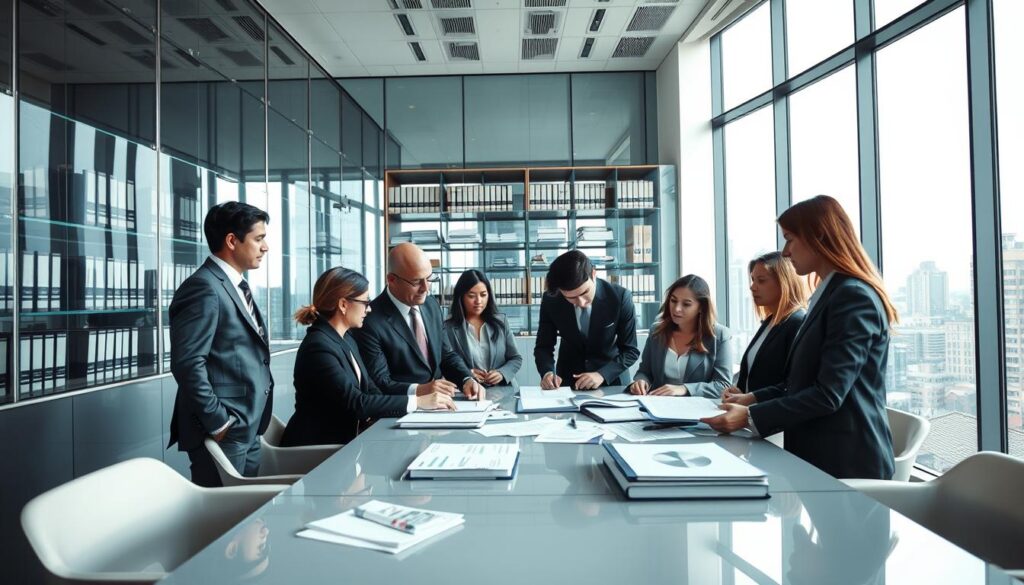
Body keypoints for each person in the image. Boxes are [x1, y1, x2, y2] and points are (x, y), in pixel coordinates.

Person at [704, 195, 897, 480]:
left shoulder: (853, 296)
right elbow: (800, 383)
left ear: (818, 237)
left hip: (847, 463)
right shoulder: (829, 295)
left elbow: (828, 394)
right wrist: (752, 399)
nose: (785, 252)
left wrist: (749, 417)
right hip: (818, 455)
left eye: (790, 239)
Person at [281, 267, 455, 447]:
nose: (369, 309)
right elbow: (356, 402)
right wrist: (418, 402)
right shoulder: (319, 347)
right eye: (365, 302)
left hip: (347, 442)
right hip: (317, 449)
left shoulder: (346, 337)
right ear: (343, 304)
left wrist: (411, 407)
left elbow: (371, 390)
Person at [168, 201, 273, 487]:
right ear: (231, 240)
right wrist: (220, 422)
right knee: (226, 518)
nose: (266, 247)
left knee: (246, 516)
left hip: (246, 424)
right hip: (225, 429)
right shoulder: (203, 287)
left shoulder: (234, 284)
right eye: (259, 238)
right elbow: (188, 362)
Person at [351, 243, 483, 400]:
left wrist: (466, 378)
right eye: (416, 282)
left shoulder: (431, 304)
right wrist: (420, 390)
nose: (426, 289)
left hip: (440, 404)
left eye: (429, 279)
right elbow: (380, 382)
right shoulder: (369, 319)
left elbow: (446, 354)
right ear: (391, 280)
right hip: (400, 410)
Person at [534, 250, 639, 390]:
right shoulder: (551, 300)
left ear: (593, 274)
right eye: (571, 298)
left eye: (584, 293)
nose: (582, 302)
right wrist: (547, 373)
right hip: (567, 382)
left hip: (611, 381)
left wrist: (601, 374)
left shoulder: (620, 297)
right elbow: (543, 347)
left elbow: (630, 351)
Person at [628, 275, 733, 398]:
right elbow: (645, 372)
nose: (677, 309)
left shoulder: (720, 336)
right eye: (673, 301)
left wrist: (684, 389)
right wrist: (641, 381)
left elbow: (723, 385)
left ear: (701, 307)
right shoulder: (657, 331)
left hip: (698, 411)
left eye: (686, 304)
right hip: (657, 408)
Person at [722, 251, 807, 399]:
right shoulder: (770, 322)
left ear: (783, 282)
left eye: (761, 280)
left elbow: (794, 385)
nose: (752, 287)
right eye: (753, 280)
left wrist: (750, 398)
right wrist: (740, 393)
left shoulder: (797, 322)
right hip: (751, 415)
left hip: (775, 419)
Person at [443, 269, 523, 386]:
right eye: (471, 296)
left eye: (483, 295)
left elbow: (516, 358)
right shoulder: (448, 328)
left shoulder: (501, 322)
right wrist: (467, 374)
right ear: (461, 297)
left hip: (502, 389)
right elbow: (446, 364)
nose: (478, 301)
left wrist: (502, 373)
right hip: (469, 391)